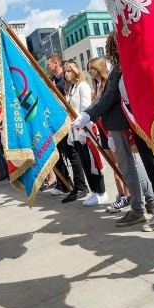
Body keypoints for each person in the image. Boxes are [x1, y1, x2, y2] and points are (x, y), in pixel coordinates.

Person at [75, 33, 154, 226]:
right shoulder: (118, 68)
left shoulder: (118, 69)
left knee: (128, 167)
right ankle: (151, 201)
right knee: (132, 165)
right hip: (118, 124)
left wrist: (88, 114)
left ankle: (138, 208)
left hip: (119, 124)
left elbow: (109, 97)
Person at [87, 57, 131, 213]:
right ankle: (120, 194)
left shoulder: (107, 83)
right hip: (102, 128)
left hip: (111, 129)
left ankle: (127, 194)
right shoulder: (97, 85)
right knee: (113, 164)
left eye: (91, 68)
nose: (89, 71)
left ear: (99, 68)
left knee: (119, 163)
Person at [63, 60, 106, 205]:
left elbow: (86, 108)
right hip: (75, 132)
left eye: (69, 70)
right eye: (65, 71)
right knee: (85, 163)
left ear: (76, 71)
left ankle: (101, 191)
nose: (66, 73)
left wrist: (82, 130)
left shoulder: (82, 86)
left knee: (92, 161)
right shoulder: (70, 89)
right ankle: (94, 190)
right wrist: (71, 133)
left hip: (85, 130)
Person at [46, 53, 88, 199]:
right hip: (58, 123)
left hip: (71, 124)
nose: (47, 65)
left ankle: (80, 186)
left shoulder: (66, 84)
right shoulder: (52, 81)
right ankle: (65, 184)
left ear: (57, 63)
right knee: (63, 154)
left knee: (73, 155)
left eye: (49, 63)